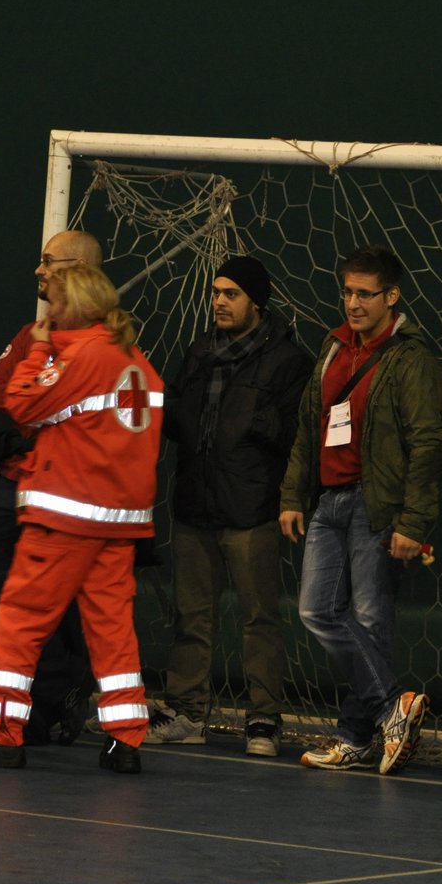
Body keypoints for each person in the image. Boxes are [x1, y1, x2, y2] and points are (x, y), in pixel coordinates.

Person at [0, 264, 164, 773]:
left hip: (67, 515)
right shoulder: (135, 360)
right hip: (119, 522)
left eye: (55, 303)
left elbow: (19, 402)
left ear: (75, 306)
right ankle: (125, 739)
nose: (48, 312)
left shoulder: (82, 355)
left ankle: (2, 734)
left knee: (20, 621)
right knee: (112, 631)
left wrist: (40, 348)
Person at [279, 245, 442, 775]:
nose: (353, 302)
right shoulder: (333, 349)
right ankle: (392, 707)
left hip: (376, 506)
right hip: (328, 501)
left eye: (364, 293)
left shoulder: (410, 356)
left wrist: (413, 523)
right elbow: (310, 425)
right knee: (316, 611)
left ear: (391, 296)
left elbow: (429, 440)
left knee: (372, 620)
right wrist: (291, 495)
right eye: (347, 291)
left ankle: (355, 737)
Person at [148, 256, 312, 757]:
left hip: (253, 509)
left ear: (256, 303)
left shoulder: (289, 362)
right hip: (196, 505)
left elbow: (297, 437)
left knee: (259, 617)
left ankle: (263, 719)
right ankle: (187, 712)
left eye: (231, 293)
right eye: (216, 292)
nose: (219, 300)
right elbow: (174, 416)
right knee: (191, 614)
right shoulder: (199, 351)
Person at [0, 231, 102, 746]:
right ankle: (44, 690)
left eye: (47, 263)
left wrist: (41, 394)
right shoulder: (31, 332)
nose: (38, 272)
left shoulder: (107, 343)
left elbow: (80, 414)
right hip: (13, 483)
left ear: (78, 268)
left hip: (71, 492)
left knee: (60, 602)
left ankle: (34, 711)